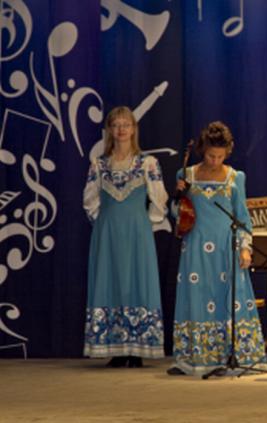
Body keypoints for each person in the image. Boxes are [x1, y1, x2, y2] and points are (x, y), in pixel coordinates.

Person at [168, 121, 265, 376]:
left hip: (226, 246)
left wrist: (245, 248)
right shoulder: (186, 174)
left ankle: (232, 356)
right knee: (197, 296)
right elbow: (177, 215)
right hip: (196, 246)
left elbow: (242, 216)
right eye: (211, 155)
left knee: (228, 298)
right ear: (203, 150)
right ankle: (193, 358)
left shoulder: (235, 177)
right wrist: (178, 196)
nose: (215, 161)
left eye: (220, 156)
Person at [83, 106, 167, 368]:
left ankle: (137, 348)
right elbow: (90, 200)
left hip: (137, 232)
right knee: (111, 281)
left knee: (137, 281)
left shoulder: (147, 163)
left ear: (134, 129)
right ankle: (116, 347)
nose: (121, 130)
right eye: (116, 125)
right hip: (108, 233)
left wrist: (144, 221)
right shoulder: (99, 164)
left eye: (126, 124)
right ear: (109, 130)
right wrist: (103, 222)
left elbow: (159, 198)